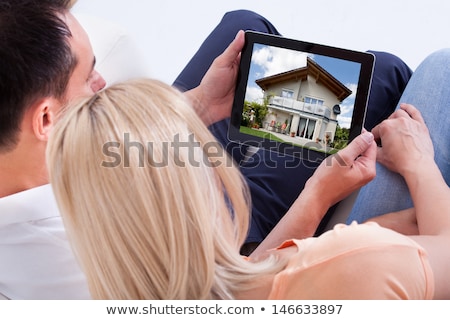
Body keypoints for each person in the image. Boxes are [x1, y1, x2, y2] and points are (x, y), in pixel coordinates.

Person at [0, 0, 410, 299]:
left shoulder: (36, 161)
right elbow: (234, 295)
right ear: (46, 121)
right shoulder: (66, 261)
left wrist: (195, 105)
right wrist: (318, 195)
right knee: (384, 71)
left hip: (141, 155)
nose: (103, 82)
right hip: (208, 231)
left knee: (244, 26)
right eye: (88, 77)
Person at [47, 76, 450, 299]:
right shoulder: (349, 259)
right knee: (440, 70)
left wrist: (315, 196)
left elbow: (239, 287)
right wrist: (417, 163)